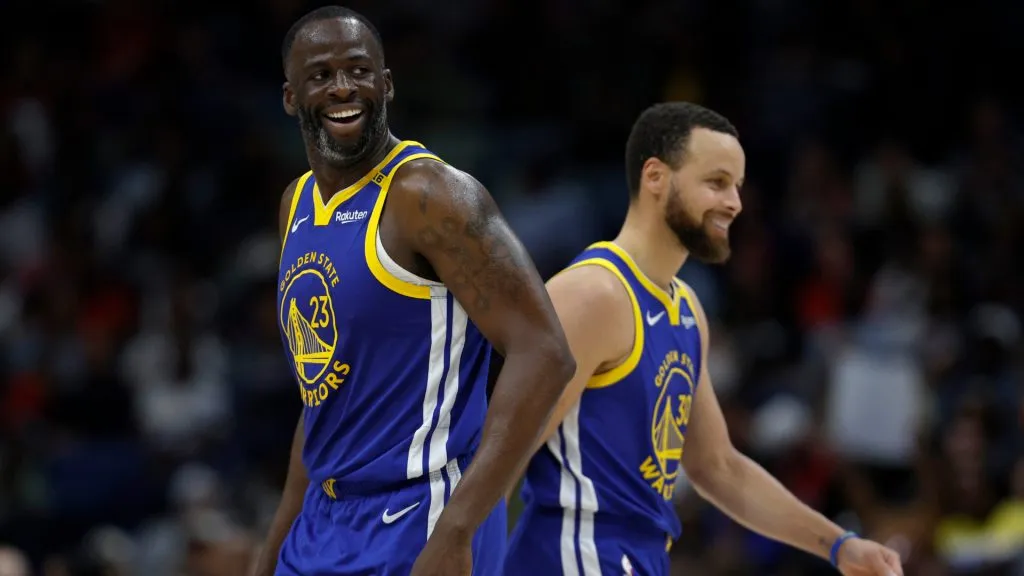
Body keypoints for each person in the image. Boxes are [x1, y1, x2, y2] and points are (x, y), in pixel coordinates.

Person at [504, 102, 904, 576]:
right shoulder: (594, 295)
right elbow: (500, 456)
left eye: (737, 185)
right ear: (655, 177)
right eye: (716, 182)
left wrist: (840, 546)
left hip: (640, 559)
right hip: (571, 557)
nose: (734, 202)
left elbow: (718, 467)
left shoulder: (687, 310)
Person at [252, 6, 576, 576]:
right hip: (322, 522)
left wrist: (459, 528)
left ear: (388, 84)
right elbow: (325, 389)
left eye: (359, 70)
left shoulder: (429, 196)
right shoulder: (296, 205)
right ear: (290, 96)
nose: (343, 87)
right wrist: (276, 537)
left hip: (423, 514)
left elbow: (544, 351)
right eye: (321, 75)